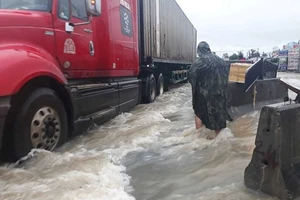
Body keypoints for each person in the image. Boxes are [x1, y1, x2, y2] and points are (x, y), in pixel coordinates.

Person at [187, 41, 231, 139]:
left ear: (199, 51)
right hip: (220, 94)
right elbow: (226, 75)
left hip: (204, 94)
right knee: (218, 115)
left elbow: (191, 75)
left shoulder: (199, 61)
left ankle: (200, 138)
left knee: (199, 112)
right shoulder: (221, 61)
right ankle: (219, 139)